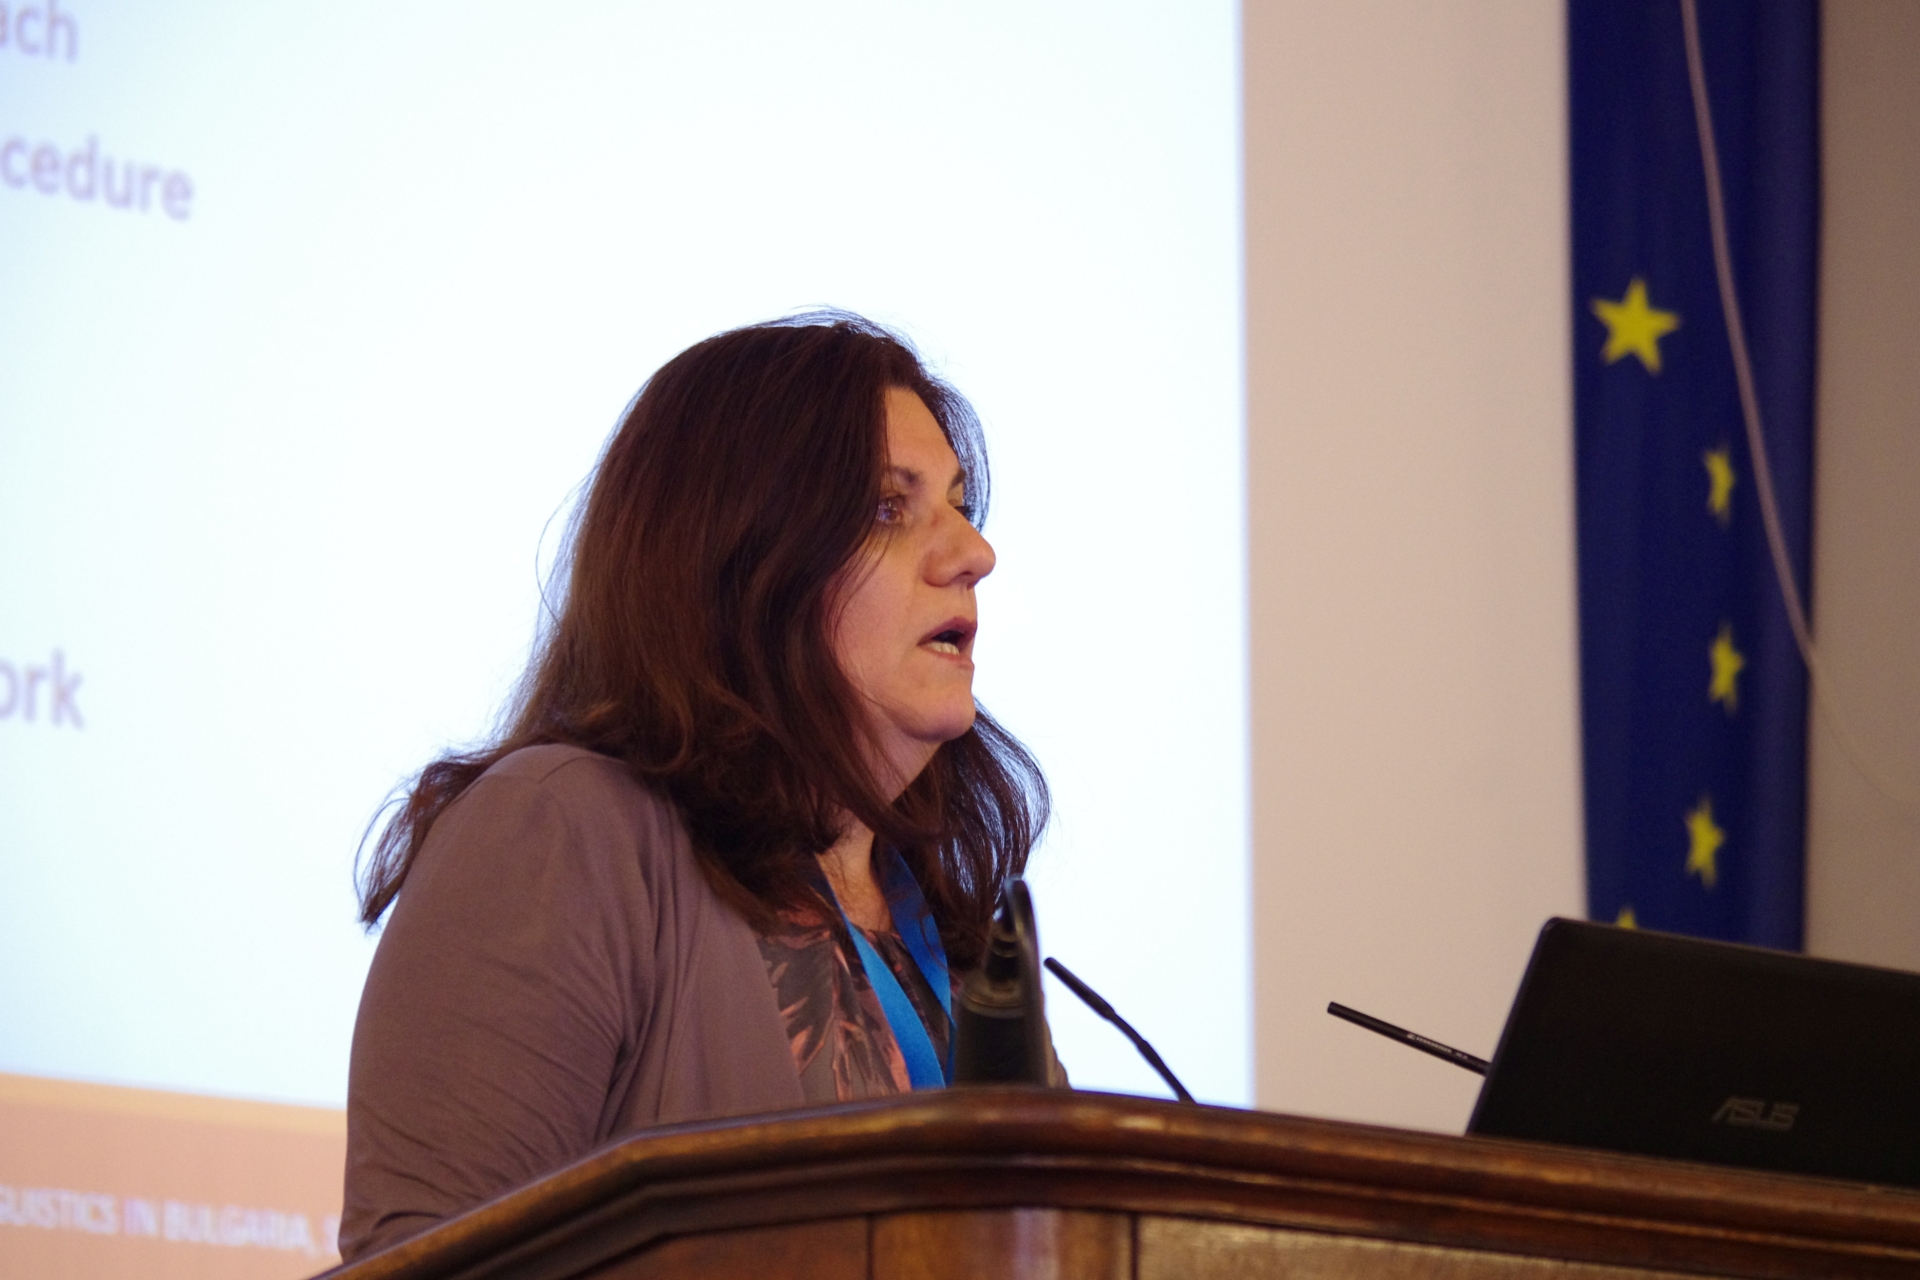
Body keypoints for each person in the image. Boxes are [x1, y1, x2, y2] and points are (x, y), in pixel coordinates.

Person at [338, 313, 1052, 1261]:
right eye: (889, 508)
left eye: (961, 505)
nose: (974, 553)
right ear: (742, 564)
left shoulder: (957, 944)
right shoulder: (562, 833)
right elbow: (426, 1260)